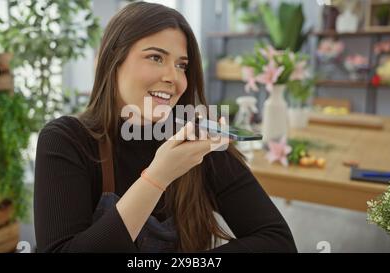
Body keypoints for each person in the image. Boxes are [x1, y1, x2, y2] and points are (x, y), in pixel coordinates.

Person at [34, 2, 297, 253]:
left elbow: (277, 242)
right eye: (155, 57)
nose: (173, 77)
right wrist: (157, 177)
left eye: (181, 65)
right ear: (112, 61)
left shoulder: (198, 142)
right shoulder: (65, 139)